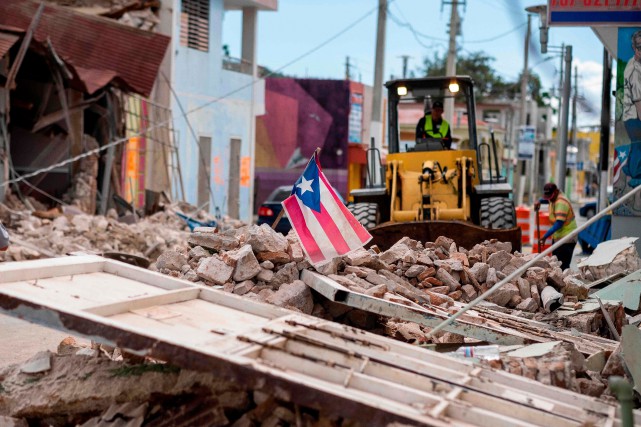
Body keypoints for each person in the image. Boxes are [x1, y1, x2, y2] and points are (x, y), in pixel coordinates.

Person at [534, 183, 577, 270]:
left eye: (551, 196)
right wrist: (539, 201)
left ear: (556, 192)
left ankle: (566, 283)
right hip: (558, 237)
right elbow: (547, 199)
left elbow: (559, 223)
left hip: (567, 238)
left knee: (563, 266)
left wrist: (545, 236)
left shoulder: (561, 203)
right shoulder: (553, 197)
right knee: (556, 265)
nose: (549, 199)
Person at [622, 30, 641, 188]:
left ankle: (628, 167)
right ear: (634, 48)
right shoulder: (635, 71)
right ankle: (636, 175)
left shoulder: (633, 63)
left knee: (636, 143)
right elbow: (638, 101)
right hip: (635, 115)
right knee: (638, 144)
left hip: (630, 115)